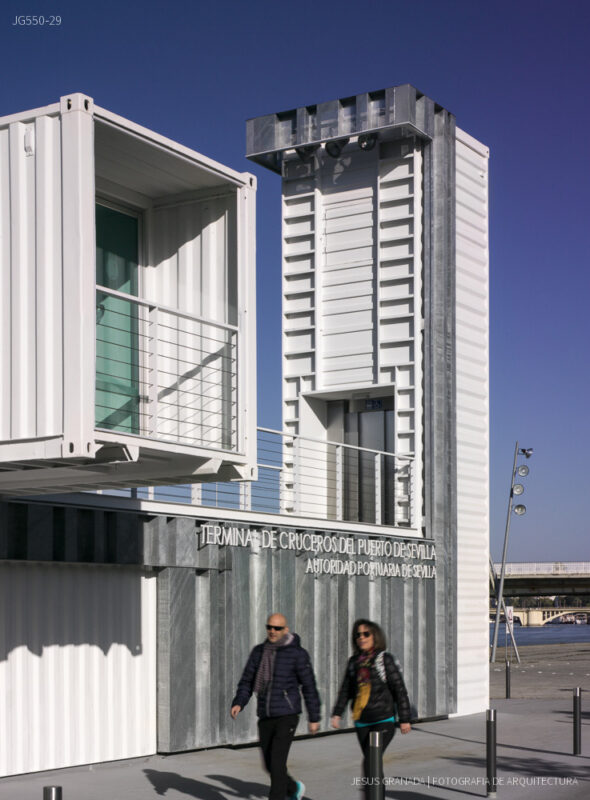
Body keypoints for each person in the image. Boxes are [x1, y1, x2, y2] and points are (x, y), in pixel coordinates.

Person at [231, 612, 321, 800]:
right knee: (270, 764)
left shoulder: (297, 654)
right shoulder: (259, 651)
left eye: (277, 628)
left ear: (285, 630)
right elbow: (247, 680)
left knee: (278, 763)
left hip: (287, 714)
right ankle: (293, 787)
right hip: (265, 714)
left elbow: (309, 685)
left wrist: (314, 717)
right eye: (269, 627)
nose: (272, 631)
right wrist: (239, 702)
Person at [330, 619, 411, 793]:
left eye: (366, 634)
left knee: (370, 764)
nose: (362, 637)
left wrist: (404, 718)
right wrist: (337, 713)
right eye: (358, 635)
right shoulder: (354, 662)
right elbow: (346, 690)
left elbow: (399, 689)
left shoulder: (385, 660)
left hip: (383, 720)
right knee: (373, 765)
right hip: (362, 722)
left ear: (375, 636)